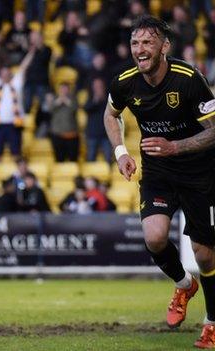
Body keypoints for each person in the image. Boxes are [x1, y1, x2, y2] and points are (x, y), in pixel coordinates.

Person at [105, 15, 215, 348]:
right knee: (154, 238)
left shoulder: (189, 79)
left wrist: (175, 146)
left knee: (206, 255)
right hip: (158, 172)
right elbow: (111, 115)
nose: (140, 49)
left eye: (147, 42)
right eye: (135, 43)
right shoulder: (124, 82)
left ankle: (212, 323)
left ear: (164, 46)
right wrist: (121, 152)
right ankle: (184, 285)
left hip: (199, 172)